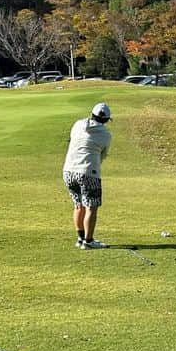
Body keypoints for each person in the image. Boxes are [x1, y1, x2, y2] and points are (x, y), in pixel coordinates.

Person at [63, 102, 113, 249]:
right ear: (106, 120)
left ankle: (80, 239)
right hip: (88, 172)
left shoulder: (78, 124)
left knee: (79, 205)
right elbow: (103, 155)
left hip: (68, 170)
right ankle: (89, 241)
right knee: (91, 207)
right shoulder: (105, 135)